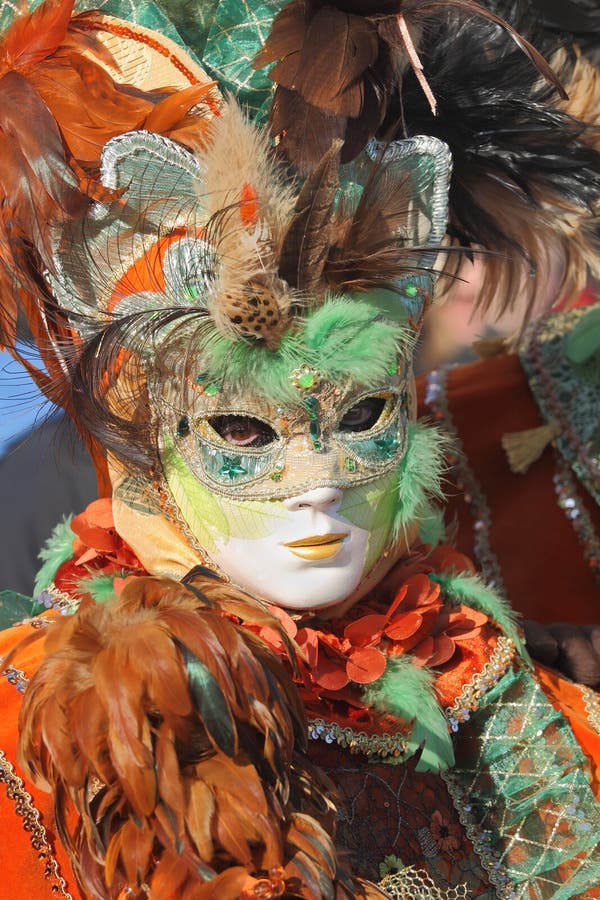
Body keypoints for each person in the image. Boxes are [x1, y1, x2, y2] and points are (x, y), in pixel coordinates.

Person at [1, 0, 600, 898]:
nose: (313, 489)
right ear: (147, 452)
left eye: (361, 417)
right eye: (243, 431)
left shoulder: (512, 698)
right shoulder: (37, 736)